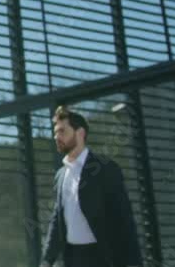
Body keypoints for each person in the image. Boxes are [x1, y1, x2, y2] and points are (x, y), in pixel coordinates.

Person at [41, 106, 143, 267]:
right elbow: (57, 220)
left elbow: (124, 220)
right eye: (55, 132)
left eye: (62, 131)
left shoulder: (105, 168)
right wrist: (47, 260)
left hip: (103, 257)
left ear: (80, 133)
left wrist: (133, 263)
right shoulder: (61, 175)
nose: (56, 136)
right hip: (73, 258)